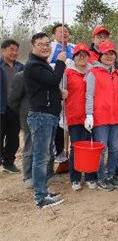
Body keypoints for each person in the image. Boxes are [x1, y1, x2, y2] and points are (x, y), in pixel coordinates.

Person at [24, 32, 67, 208]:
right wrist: (61, 62)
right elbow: (52, 80)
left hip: (48, 115)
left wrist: (59, 93)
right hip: (41, 116)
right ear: (33, 46)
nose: (45, 47)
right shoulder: (33, 65)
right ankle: (41, 197)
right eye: (41, 44)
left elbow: (47, 87)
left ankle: (43, 190)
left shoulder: (41, 64)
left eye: (48, 44)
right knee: (41, 158)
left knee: (44, 155)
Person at [86, 40, 118, 191]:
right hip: (100, 118)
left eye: (111, 54)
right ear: (100, 55)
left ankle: (111, 174)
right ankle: (101, 176)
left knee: (114, 148)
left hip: (115, 117)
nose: (109, 56)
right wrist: (89, 114)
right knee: (101, 148)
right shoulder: (93, 73)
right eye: (106, 54)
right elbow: (89, 95)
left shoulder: (117, 74)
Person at [63, 43, 97, 191]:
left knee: (90, 147)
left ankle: (90, 176)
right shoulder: (68, 73)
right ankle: (75, 178)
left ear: (88, 57)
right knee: (76, 147)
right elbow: (60, 91)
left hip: (92, 116)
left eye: (84, 55)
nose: (82, 58)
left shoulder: (94, 72)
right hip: (75, 116)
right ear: (74, 58)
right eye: (79, 55)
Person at [1, 39, 25, 173]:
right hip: (1, 108)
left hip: (15, 109)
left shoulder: (21, 67)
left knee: (13, 137)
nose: (14, 53)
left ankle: (8, 162)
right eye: (11, 49)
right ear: (3, 50)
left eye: (16, 50)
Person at [8, 70, 33, 188]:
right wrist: (23, 112)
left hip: (43, 116)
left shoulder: (45, 72)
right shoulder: (21, 76)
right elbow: (13, 100)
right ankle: (28, 176)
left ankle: (47, 173)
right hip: (28, 117)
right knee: (29, 147)